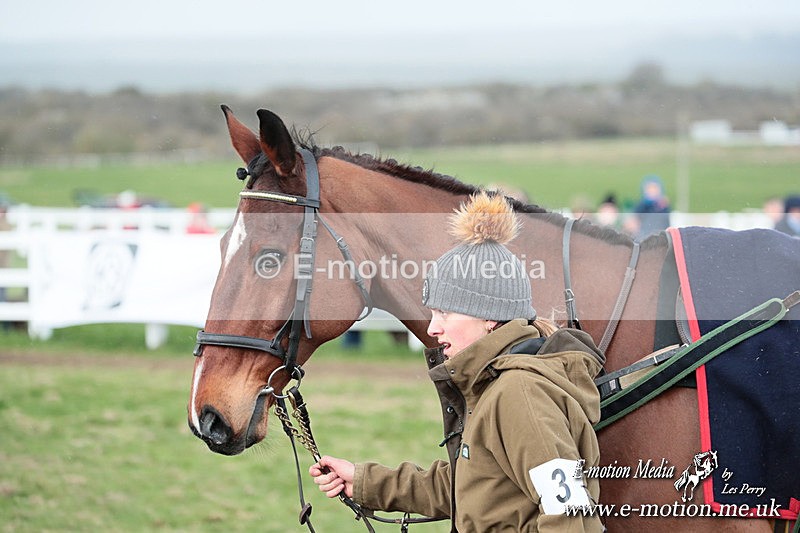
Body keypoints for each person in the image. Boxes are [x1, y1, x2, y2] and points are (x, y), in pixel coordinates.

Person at [310, 191, 605, 531]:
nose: (434, 328)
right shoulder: (493, 382)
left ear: (489, 318)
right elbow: (471, 485)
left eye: (445, 312)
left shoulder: (519, 392)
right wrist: (363, 481)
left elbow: (568, 512)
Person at [631, 174, 670, 240]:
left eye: (654, 188)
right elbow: (635, 219)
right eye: (650, 189)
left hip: (660, 237)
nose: (652, 191)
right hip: (644, 237)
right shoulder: (641, 204)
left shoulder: (663, 205)